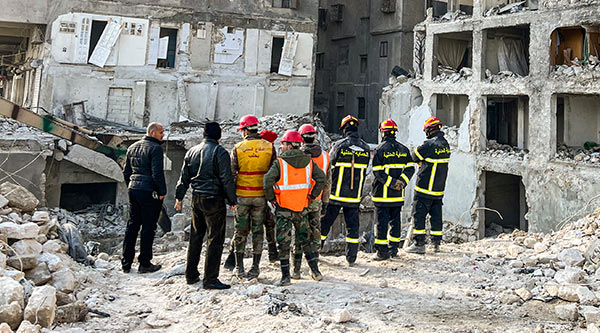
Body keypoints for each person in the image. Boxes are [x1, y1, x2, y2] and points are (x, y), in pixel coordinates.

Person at [174, 122, 237, 289]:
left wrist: (179, 197)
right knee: (215, 239)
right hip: (214, 200)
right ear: (219, 136)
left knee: (196, 237)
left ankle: (191, 275)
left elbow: (183, 178)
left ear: (204, 134)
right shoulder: (220, 152)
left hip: (196, 198)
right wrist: (232, 200)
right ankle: (210, 279)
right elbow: (226, 178)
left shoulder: (192, 151)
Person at [264, 130, 326, 286]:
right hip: (301, 207)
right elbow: (321, 178)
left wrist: (271, 198)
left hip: (283, 208)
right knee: (306, 240)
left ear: (290, 145)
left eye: (283, 143)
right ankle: (315, 271)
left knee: (283, 243)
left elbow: (267, 181)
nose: (282, 146)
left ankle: (286, 277)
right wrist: (313, 195)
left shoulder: (280, 162)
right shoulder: (309, 162)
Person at [223, 130, 279, 270]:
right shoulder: (268, 148)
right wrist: (270, 196)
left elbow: (231, 173)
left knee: (240, 230)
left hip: (243, 195)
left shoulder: (239, 148)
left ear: (245, 130)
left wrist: (231, 198)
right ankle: (255, 265)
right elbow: (274, 173)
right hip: (261, 196)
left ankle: (238, 265)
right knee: (258, 231)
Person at [320, 115, 370, 266]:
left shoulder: (339, 145)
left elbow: (329, 164)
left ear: (344, 129)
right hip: (354, 197)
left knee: (325, 225)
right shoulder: (366, 148)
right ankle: (351, 258)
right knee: (352, 229)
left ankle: (316, 251)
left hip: (336, 195)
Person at [122, 122, 166, 274]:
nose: (163, 135)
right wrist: (162, 191)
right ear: (153, 132)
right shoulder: (156, 148)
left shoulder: (132, 147)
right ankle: (145, 263)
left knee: (132, 225)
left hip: (133, 189)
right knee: (148, 227)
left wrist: (131, 185)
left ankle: (126, 263)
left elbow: (126, 171)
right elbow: (157, 173)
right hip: (148, 191)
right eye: (161, 132)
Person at [405, 116, 451, 254]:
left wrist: (421, 161)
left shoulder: (429, 144)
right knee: (436, 216)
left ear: (429, 130)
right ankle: (436, 244)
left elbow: (413, 156)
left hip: (424, 188)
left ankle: (419, 244)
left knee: (418, 215)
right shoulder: (445, 144)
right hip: (438, 189)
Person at [291, 123, 331, 279]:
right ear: (314, 137)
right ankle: (314, 268)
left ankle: (296, 269)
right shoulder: (325, 156)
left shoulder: (296, 156)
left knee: (299, 234)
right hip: (317, 201)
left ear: (301, 138)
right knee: (315, 234)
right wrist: (325, 202)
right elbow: (327, 182)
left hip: (299, 201)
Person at [371, 119, 415, 260]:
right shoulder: (403, 149)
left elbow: (377, 172)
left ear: (382, 132)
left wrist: (392, 183)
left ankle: (382, 253)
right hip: (397, 196)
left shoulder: (380, 150)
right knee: (395, 223)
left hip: (382, 196)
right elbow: (410, 168)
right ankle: (394, 250)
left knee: (381, 224)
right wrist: (401, 182)